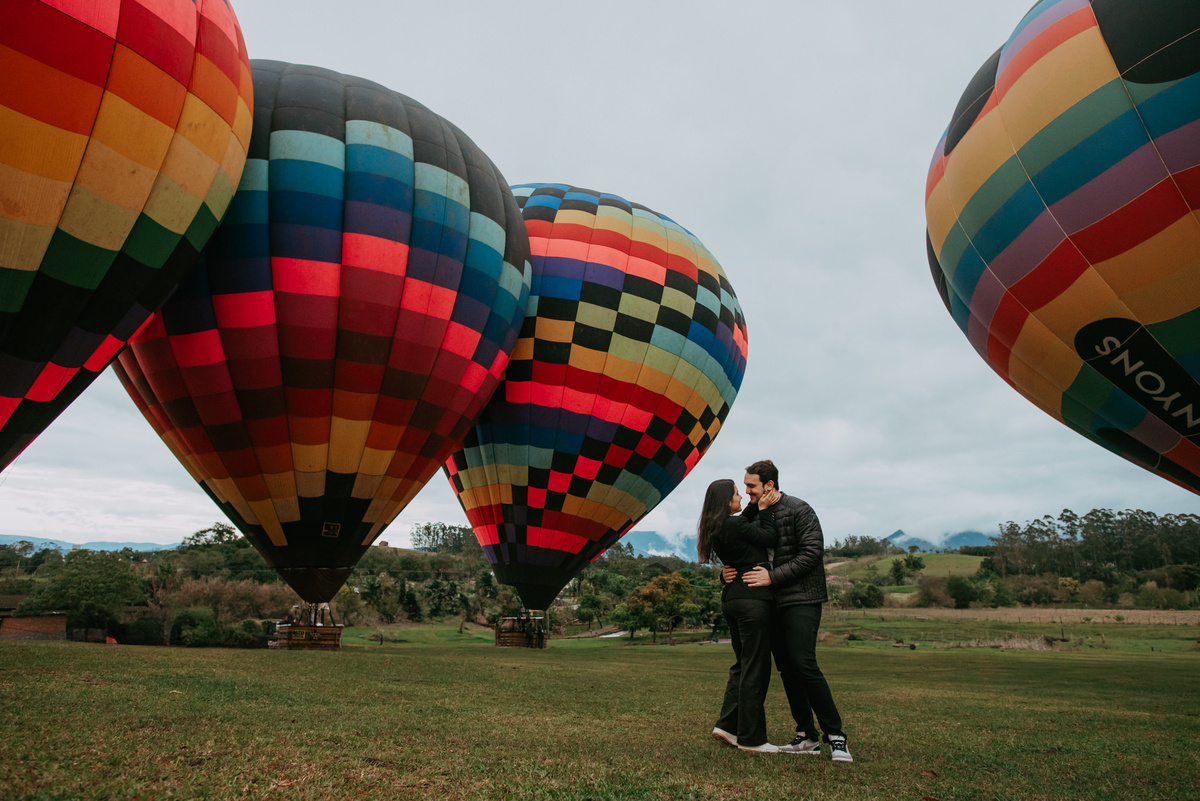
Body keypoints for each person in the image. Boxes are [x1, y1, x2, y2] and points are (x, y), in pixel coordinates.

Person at [725, 459, 853, 763]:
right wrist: (725, 572)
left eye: (751, 486)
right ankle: (806, 736)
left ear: (769, 485)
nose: (746, 492)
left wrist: (773, 576)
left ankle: (835, 736)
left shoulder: (799, 510)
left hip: (800, 597)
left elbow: (812, 553)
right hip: (769, 602)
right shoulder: (751, 516)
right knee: (786, 668)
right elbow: (738, 548)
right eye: (744, 487)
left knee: (803, 662)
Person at [697, 478, 781, 753]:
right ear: (725, 500)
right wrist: (767, 510)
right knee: (755, 667)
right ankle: (752, 739)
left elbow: (742, 523)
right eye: (736, 494)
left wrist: (756, 507)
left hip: (732, 600)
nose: (741, 497)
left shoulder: (716, 527)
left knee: (743, 665)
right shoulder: (734, 524)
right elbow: (769, 537)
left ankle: (727, 725)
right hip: (752, 601)